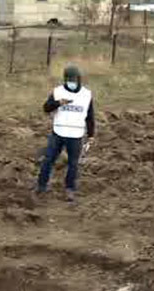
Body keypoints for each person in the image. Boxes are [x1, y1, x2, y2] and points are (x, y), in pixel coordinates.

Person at [36, 65, 95, 202]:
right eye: (69, 79)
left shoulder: (86, 94)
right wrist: (58, 103)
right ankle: (41, 186)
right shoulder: (58, 92)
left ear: (79, 79)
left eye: (74, 79)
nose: (72, 82)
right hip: (58, 133)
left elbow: (90, 116)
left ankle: (70, 189)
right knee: (48, 160)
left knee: (73, 164)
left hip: (76, 135)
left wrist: (91, 135)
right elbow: (46, 108)